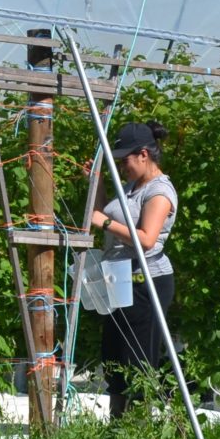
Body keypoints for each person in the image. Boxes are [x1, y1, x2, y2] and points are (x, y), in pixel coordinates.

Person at [88, 120, 178, 418]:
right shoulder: (131, 187)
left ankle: (139, 427)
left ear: (143, 154)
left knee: (137, 359)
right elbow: (102, 215)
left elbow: (146, 240)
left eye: (124, 159)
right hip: (120, 279)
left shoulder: (159, 192)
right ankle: (117, 428)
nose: (121, 166)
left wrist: (103, 222)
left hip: (146, 282)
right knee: (114, 357)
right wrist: (97, 183)